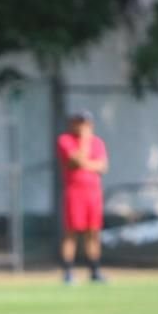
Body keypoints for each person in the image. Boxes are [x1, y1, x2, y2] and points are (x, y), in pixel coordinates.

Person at [56, 110, 109, 283]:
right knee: (71, 232)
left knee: (93, 232)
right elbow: (76, 160)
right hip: (74, 192)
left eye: (84, 123)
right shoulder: (65, 140)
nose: (80, 126)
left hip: (93, 193)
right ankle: (68, 272)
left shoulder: (98, 142)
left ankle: (95, 270)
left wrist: (86, 163)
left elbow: (102, 166)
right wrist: (85, 142)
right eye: (78, 122)